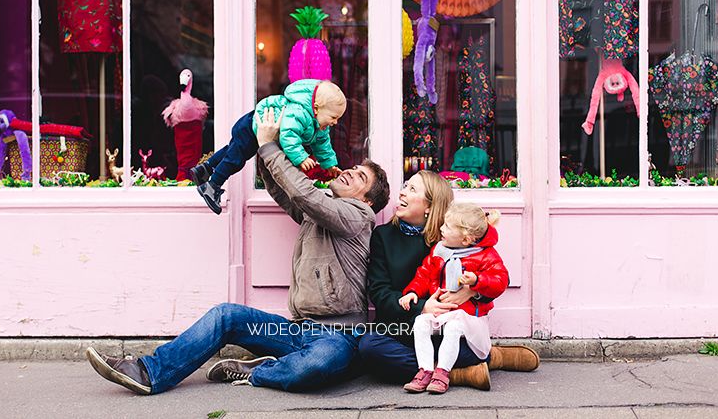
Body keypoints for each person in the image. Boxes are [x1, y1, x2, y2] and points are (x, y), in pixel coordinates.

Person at [86, 106, 390, 394]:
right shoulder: (323, 211)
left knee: (318, 363)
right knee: (225, 316)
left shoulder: (359, 218)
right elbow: (287, 192)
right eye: (353, 168)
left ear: (367, 201)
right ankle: (149, 372)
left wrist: (271, 148)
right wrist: (265, 141)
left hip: (340, 338)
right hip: (295, 331)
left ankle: (257, 372)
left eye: (361, 177)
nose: (350, 172)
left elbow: (306, 194)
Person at [359, 170, 539, 391]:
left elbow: (497, 273)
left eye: (412, 189)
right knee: (369, 347)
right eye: (405, 186)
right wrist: (423, 307)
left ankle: (480, 359)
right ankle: (461, 373)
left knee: (460, 342)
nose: (402, 193)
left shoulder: (449, 235)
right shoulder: (383, 236)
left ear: (429, 206)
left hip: (445, 328)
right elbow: (379, 293)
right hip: (403, 328)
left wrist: (472, 290)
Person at [191, 79, 346, 214]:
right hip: (252, 129)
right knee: (234, 159)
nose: (335, 122)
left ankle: (204, 169)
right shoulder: (299, 112)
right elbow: (288, 135)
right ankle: (212, 186)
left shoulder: (320, 126)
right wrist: (301, 157)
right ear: (317, 108)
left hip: (253, 128)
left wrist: (329, 164)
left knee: (230, 151)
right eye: (333, 117)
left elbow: (322, 145)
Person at [399, 202, 508, 394]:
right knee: (421, 323)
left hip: (468, 316)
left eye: (447, 227)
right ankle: (425, 370)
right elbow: (424, 274)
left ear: (466, 240)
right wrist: (413, 291)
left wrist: (477, 281)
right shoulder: (439, 251)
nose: (441, 228)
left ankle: (442, 373)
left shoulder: (485, 256)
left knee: (453, 328)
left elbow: (500, 281)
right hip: (443, 310)